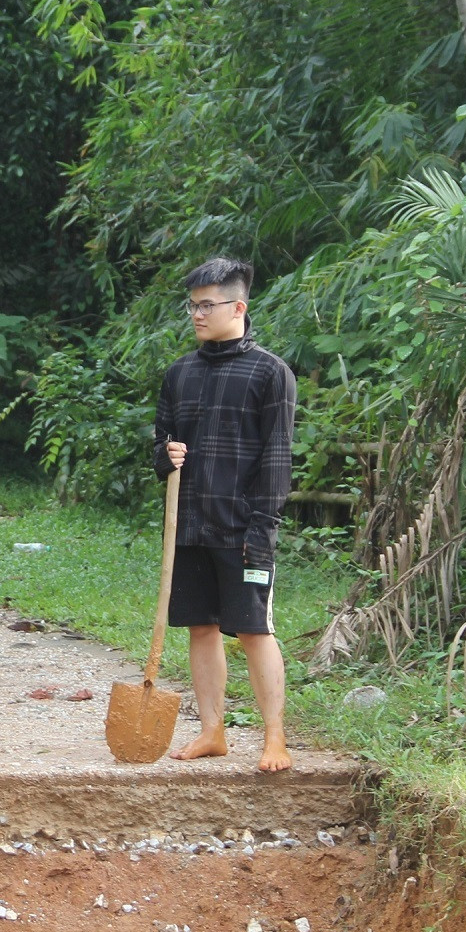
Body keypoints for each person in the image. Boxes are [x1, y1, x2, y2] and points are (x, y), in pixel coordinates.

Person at [154, 257, 297, 773]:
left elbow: (277, 458)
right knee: (200, 627)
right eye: (192, 305)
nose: (197, 314)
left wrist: (262, 532)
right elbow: (161, 442)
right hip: (189, 524)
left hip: (243, 530)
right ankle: (212, 730)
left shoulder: (270, 372)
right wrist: (164, 454)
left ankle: (275, 737)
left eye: (206, 305)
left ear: (238, 307)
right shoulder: (180, 373)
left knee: (255, 629)